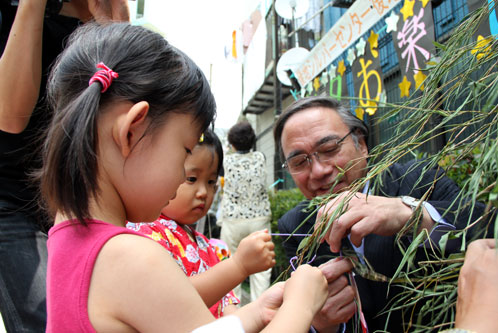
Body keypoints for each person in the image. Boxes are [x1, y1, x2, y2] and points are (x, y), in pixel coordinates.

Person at [39, 22, 329, 332]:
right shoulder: (129, 257)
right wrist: (302, 305)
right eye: (185, 151)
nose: (181, 177)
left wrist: (257, 312)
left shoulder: (66, 233)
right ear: (132, 132)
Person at [273, 96, 492, 332]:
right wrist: (320, 324)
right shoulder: (295, 227)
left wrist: (411, 215)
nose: (318, 170)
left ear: (362, 144)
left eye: (329, 149)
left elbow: (486, 227)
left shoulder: (420, 180)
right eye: (298, 162)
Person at [0, 0, 129, 330]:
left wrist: (114, 33)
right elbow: (10, 116)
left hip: (76, 199)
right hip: (10, 197)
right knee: (48, 321)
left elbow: (121, 124)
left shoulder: (109, 13)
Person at [127, 129, 276, 318]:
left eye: (211, 181)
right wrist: (238, 266)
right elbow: (170, 301)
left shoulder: (205, 244)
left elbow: (226, 307)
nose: (203, 192)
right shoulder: (145, 234)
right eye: (191, 179)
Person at [219, 121, 273, 301]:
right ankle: (262, 312)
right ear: (252, 140)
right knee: (262, 268)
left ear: (232, 142)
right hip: (259, 218)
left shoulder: (226, 160)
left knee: (231, 264)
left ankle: (234, 309)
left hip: (233, 219)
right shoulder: (260, 157)